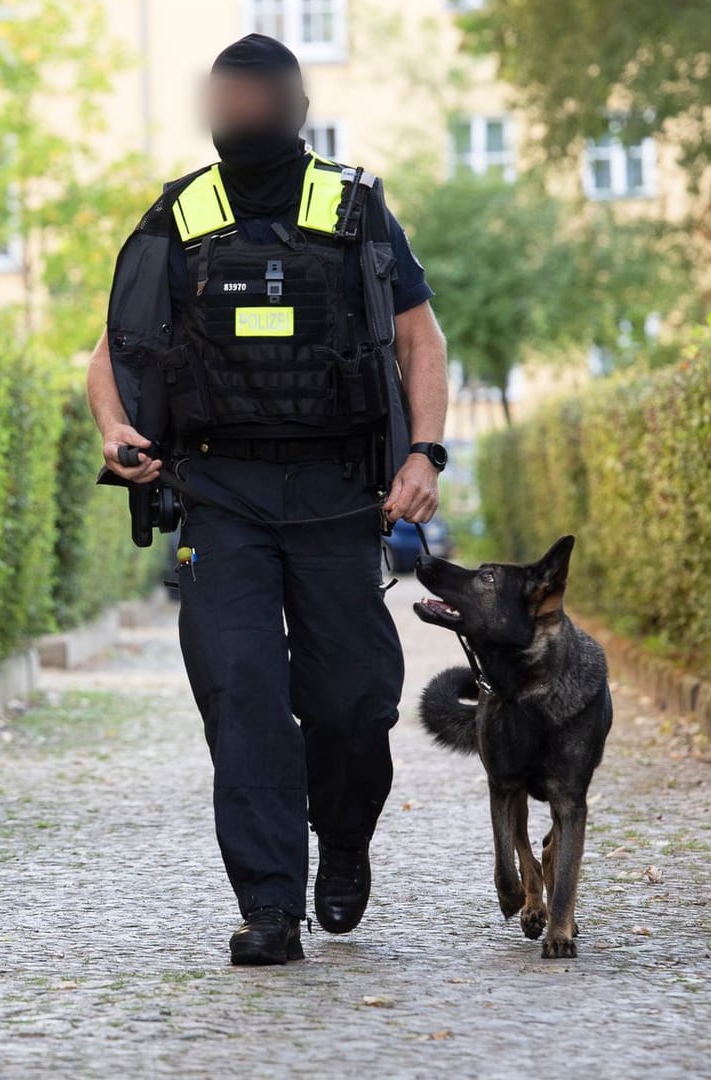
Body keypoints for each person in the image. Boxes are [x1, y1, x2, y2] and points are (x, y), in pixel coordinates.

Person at [85, 33, 450, 965]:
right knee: (241, 694)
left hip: (337, 494)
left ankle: (346, 838)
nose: (239, 113)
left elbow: (419, 340)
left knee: (352, 704)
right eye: (225, 97)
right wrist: (116, 434)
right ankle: (269, 905)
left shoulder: (355, 207)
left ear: (291, 105)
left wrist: (425, 453)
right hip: (220, 493)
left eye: (255, 98)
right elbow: (113, 351)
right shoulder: (178, 213)